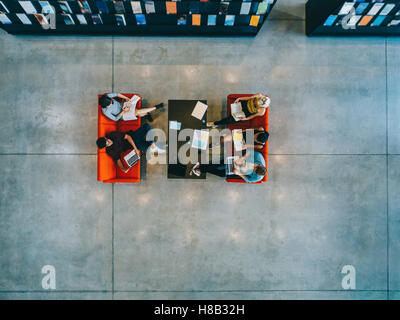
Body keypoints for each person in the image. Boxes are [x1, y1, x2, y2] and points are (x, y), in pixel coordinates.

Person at [96, 123, 165, 173]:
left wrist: (135, 148)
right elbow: (117, 159)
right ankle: (157, 144)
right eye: (107, 144)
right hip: (132, 147)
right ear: (106, 146)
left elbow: (128, 137)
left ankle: (153, 142)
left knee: (146, 126)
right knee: (149, 147)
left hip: (133, 137)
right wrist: (123, 169)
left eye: (107, 141)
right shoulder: (109, 151)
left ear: (105, 138)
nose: (109, 143)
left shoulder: (113, 135)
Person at [190, 150, 267, 183]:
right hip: (241, 159)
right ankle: (201, 168)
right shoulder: (259, 157)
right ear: (259, 164)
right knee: (219, 163)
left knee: (222, 174)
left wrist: (238, 173)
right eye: (255, 166)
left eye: (254, 170)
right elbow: (249, 152)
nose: (253, 168)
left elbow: (248, 180)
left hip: (241, 170)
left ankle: (201, 167)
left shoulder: (257, 177)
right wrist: (241, 158)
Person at [99, 92, 164, 122]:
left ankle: (146, 113)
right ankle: (156, 107)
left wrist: (127, 98)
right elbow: (116, 119)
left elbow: (117, 94)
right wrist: (123, 111)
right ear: (105, 106)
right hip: (122, 115)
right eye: (110, 104)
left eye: (111, 101)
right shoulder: (106, 111)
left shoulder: (106, 97)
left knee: (137, 110)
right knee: (137, 112)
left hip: (123, 105)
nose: (112, 103)